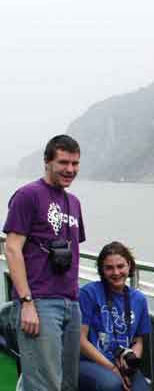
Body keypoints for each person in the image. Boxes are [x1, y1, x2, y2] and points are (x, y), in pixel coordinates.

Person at [3, 134, 85, 391]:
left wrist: (75, 302)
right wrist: (27, 303)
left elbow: (73, 251)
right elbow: (12, 248)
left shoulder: (74, 203)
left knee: (68, 382)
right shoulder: (28, 195)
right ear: (47, 162)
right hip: (40, 302)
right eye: (63, 162)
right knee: (43, 384)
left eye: (75, 163)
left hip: (71, 303)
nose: (70, 169)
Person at [79, 241, 151, 391]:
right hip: (90, 361)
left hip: (120, 362)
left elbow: (138, 341)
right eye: (109, 268)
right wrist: (112, 368)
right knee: (111, 384)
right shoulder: (89, 293)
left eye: (120, 266)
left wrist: (129, 365)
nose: (116, 273)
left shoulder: (139, 299)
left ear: (129, 266)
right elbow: (81, 341)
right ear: (102, 270)